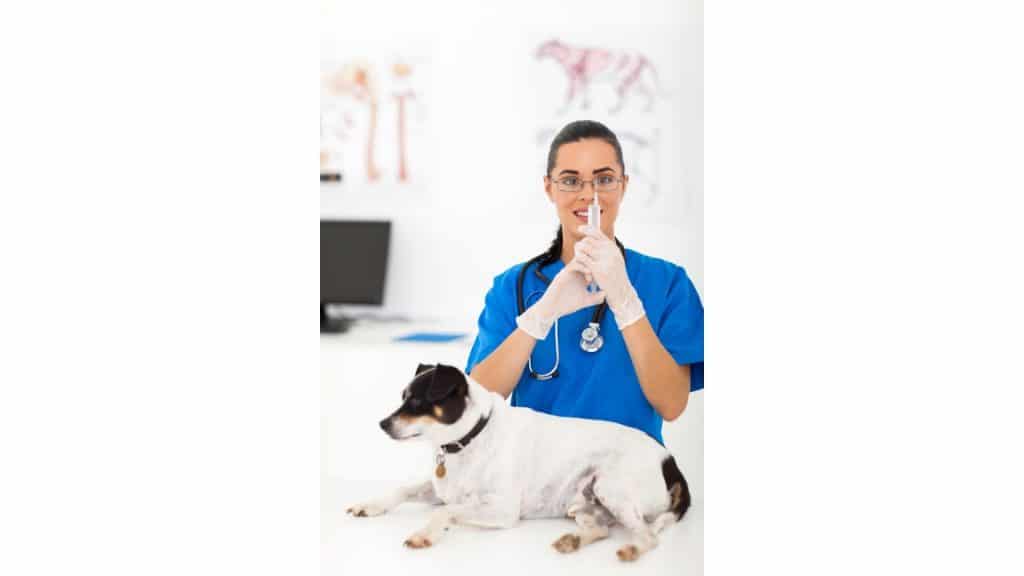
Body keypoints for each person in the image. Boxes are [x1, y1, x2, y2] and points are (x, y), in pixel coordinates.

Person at [464, 120, 703, 445]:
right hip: (539, 481)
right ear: (549, 188)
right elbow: (476, 402)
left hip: (630, 479)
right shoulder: (513, 287)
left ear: (623, 185)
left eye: (604, 179)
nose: (588, 195)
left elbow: (672, 404)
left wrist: (626, 302)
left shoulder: (667, 282)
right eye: (570, 181)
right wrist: (540, 316)